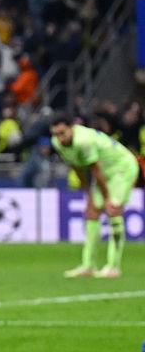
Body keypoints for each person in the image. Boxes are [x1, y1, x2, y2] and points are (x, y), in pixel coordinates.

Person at [50, 115, 140, 279]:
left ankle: (113, 267)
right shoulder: (57, 143)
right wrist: (87, 192)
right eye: (56, 134)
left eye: (62, 133)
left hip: (122, 168)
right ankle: (88, 266)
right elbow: (76, 166)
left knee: (113, 210)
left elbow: (95, 169)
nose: (60, 138)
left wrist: (107, 198)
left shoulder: (83, 141)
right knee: (91, 212)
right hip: (105, 173)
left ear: (72, 128)